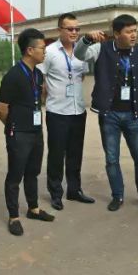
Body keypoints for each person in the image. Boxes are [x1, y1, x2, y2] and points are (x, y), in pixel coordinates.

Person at [74, 14, 138, 211]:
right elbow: (79, 55)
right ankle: (117, 195)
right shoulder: (101, 48)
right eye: (129, 32)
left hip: (134, 114)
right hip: (109, 114)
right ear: (117, 34)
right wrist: (86, 39)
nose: (134, 35)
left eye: (135, 30)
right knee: (112, 159)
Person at [0, 28, 55, 236]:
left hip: (36, 131)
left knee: (33, 172)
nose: (44, 51)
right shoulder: (13, 76)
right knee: (15, 175)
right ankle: (14, 217)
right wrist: (13, 125)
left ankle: (33, 208)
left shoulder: (37, 74)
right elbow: (2, 108)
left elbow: (39, 99)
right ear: (29, 50)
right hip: (18, 133)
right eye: (42, 48)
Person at [38, 13, 95, 211]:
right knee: (56, 154)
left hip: (78, 111)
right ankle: (55, 193)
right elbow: (40, 78)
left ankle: (74, 190)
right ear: (59, 30)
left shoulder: (83, 51)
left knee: (75, 153)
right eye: (69, 29)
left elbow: (82, 76)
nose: (74, 32)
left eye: (77, 29)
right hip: (57, 112)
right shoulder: (50, 52)